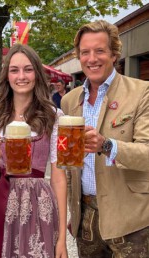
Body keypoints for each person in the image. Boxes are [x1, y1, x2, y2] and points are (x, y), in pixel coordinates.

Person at [61, 20, 149, 258]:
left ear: (114, 54)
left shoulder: (142, 92)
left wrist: (107, 145)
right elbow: (69, 168)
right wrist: (74, 213)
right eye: (85, 52)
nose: (92, 59)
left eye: (99, 51)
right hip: (86, 219)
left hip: (130, 218)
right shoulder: (70, 100)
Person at [0, 43, 68, 258]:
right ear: (6, 76)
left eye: (28, 69)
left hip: (38, 204)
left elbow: (59, 179)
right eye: (14, 70)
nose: (21, 76)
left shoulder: (54, 116)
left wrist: (61, 238)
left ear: (37, 74)